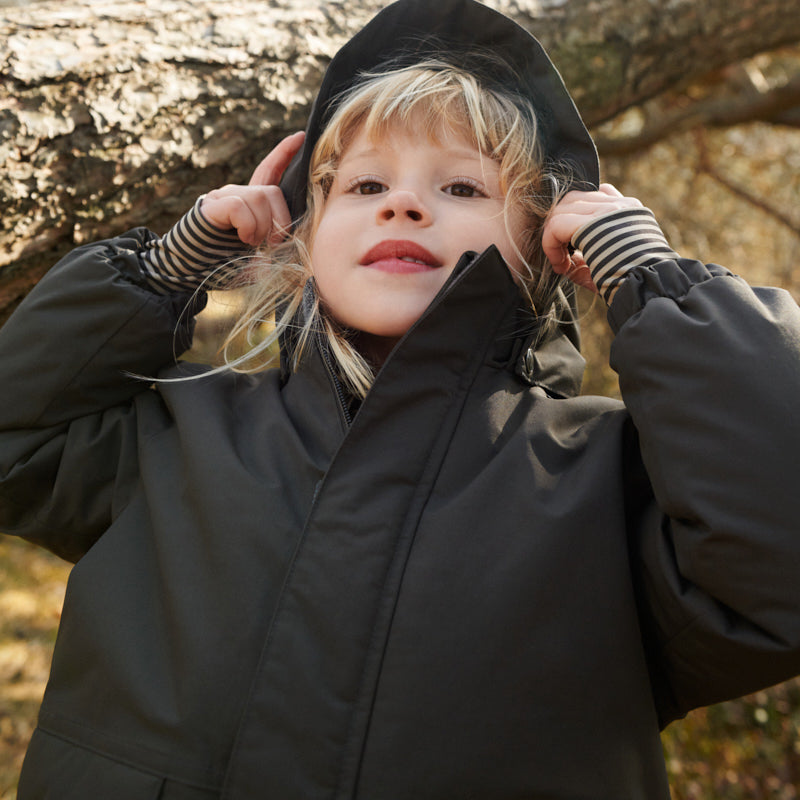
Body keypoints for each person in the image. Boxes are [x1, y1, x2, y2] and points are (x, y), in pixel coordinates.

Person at [1, 0, 799, 797]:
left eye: (459, 185)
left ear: (542, 248)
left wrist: (649, 278)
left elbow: (776, 549)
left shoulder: (605, 481)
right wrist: (169, 268)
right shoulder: (179, 430)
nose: (403, 204)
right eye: (366, 183)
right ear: (305, 240)